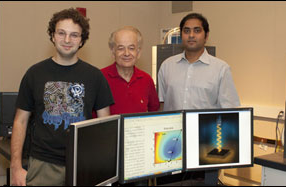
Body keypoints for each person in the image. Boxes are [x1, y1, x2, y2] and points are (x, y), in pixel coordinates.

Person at [10, 8, 114, 186]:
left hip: (84, 164)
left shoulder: (95, 77)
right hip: (43, 164)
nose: (67, 40)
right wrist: (15, 167)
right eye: (61, 33)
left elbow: (105, 126)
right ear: (52, 36)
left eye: (74, 35)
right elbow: (20, 121)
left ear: (82, 40)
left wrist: (103, 168)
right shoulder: (34, 73)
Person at [157, 13, 240, 185]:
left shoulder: (220, 69)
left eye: (197, 30)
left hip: (206, 146)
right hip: (170, 145)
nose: (191, 35)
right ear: (181, 35)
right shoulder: (167, 66)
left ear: (206, 35)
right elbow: (161, 105)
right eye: (186, 31)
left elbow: (231, 111)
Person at [101, 26, 159, 115]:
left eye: (131, 48)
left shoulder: (147, 80)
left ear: (138, 53)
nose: (127, 53)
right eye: (121, 48)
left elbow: (154, 113)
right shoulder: (100, 78)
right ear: (113, 52)